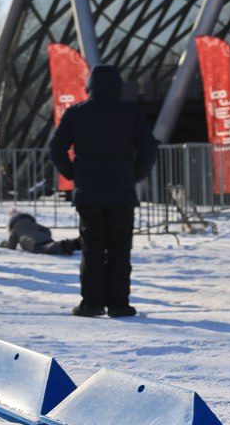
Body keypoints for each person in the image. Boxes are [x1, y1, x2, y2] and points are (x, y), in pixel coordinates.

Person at [49, 64, 158, 317]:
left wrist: (73, 174)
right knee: (120, 248)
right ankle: (119, 304)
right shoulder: (131, 113)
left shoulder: (76, 113)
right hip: (121, 190)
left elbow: (56, 148)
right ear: (118, 86)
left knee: (92, 247)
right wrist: (135, 174)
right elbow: (149, 149)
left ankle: (91, 303)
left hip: (89, 191)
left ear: (90, 86)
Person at [0, 209, 80, 255]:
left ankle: (68, 245)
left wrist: (3, 244)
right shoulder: (32, 223)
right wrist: (45, 236)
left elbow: (11, 245)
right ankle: (72, 244)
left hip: (33, 243)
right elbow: (46, 230)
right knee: (50, 246)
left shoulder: (15, 229)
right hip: (45, 238)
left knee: (46, 249)